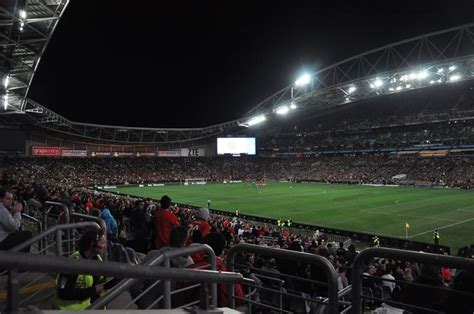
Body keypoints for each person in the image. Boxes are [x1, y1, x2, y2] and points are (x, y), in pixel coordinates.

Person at [55, 229, 110, 310]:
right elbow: (62, 292)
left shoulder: (98, 259)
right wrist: (92, 291)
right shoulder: (73, 263)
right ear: (92, 244)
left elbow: (100, 285)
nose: (104, 246)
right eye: (102, 243)